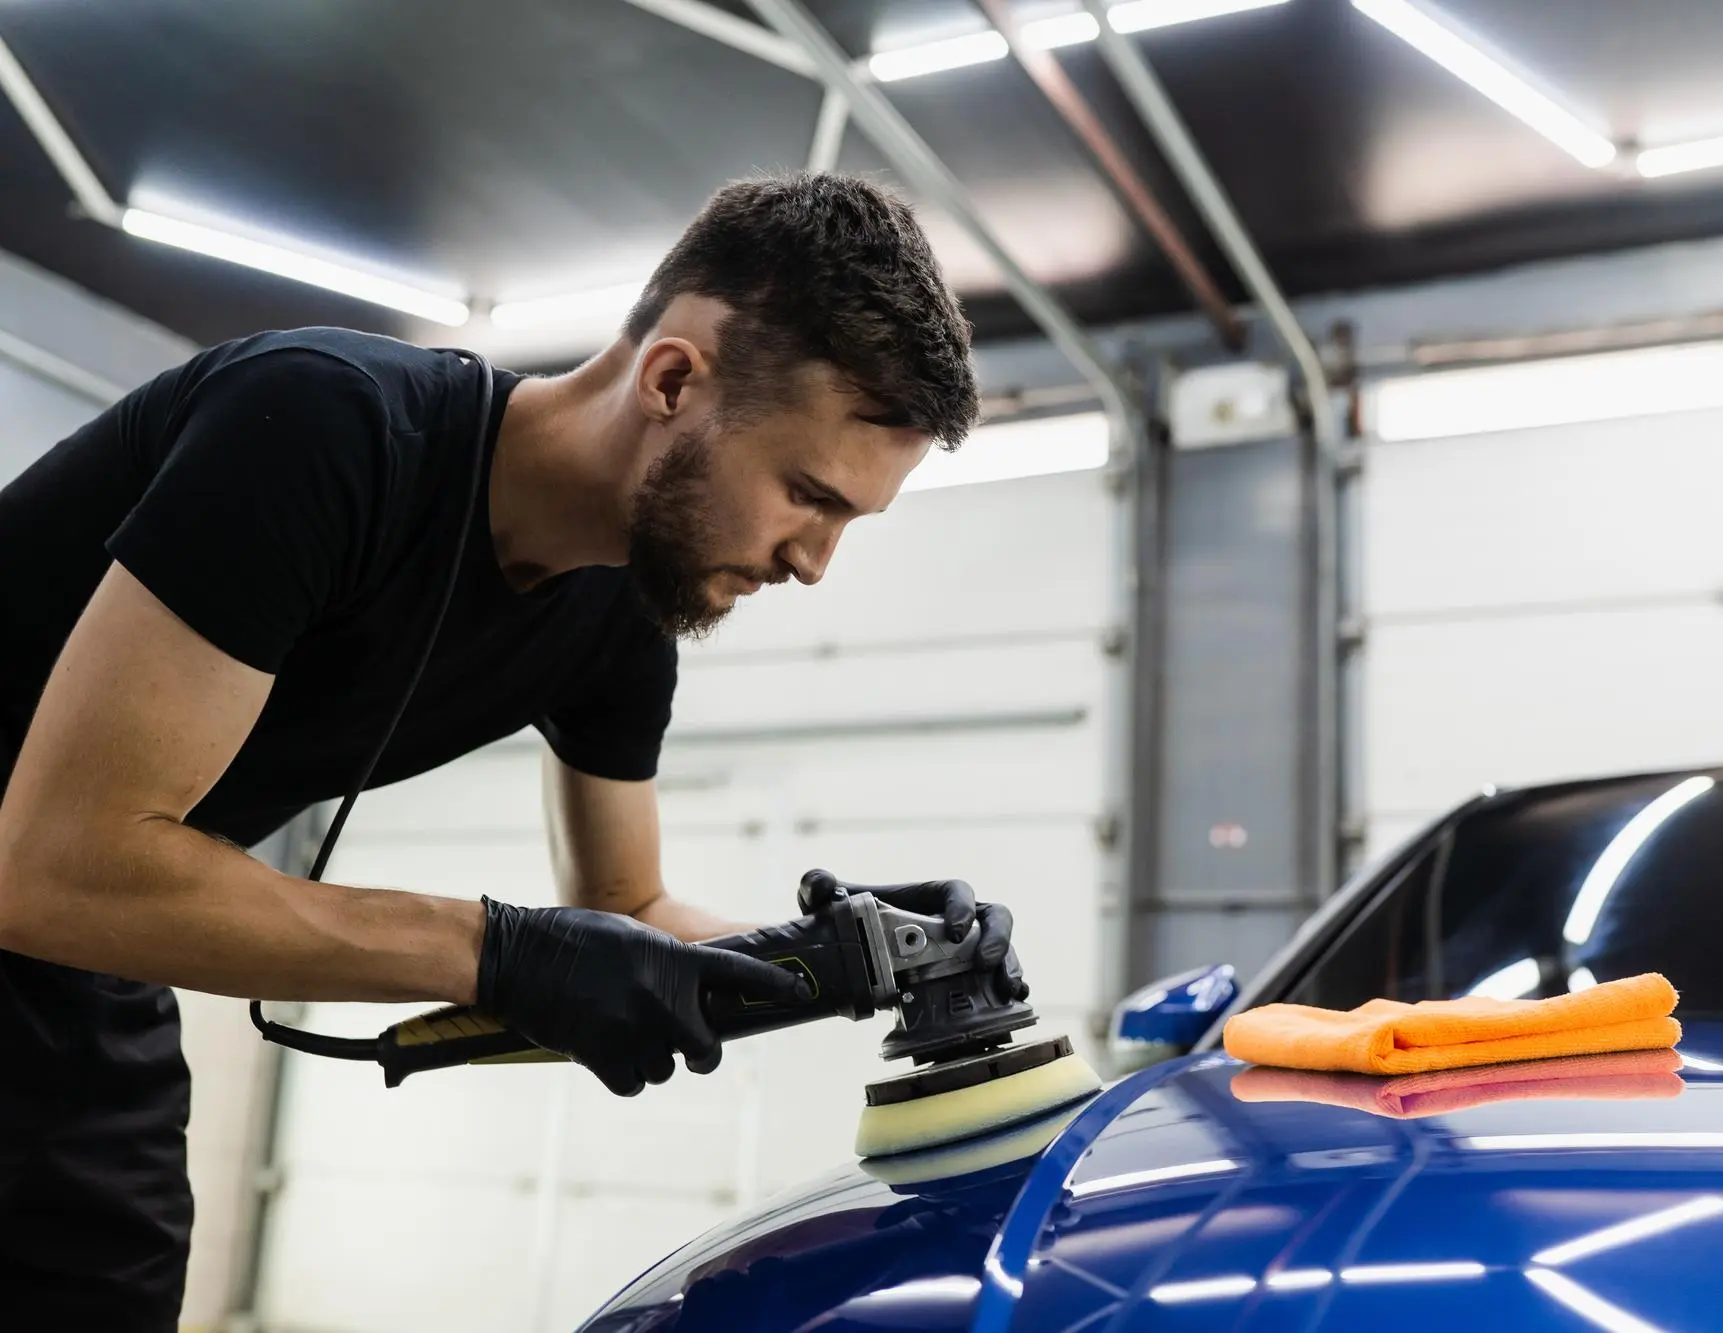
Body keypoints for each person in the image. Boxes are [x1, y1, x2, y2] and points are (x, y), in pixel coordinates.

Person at [0, 172, 1018, 1328]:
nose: (811, 561)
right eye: (805, 495)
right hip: (55, 886)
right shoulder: (322, 429)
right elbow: (54, 865)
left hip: (78, 973)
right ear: (672, 379)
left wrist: (849, 958)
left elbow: (626, 906)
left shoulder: (621, 620)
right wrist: (491, 950)